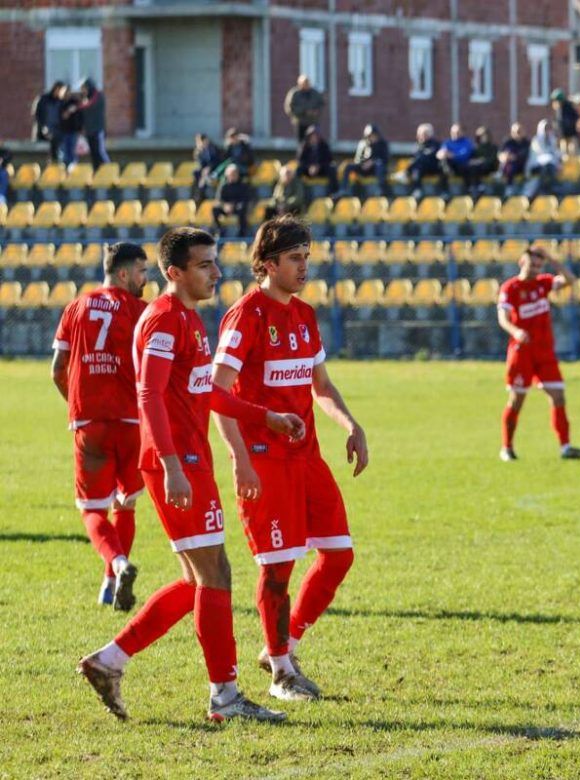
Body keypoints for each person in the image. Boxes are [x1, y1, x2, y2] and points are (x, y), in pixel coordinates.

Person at [77, 227, 303, 723]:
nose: (216, 272)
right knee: (215, 574)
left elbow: (206, 392)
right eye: (205, 265)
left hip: (188, 461)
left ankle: (109, 661)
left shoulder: (190, 320)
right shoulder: (162, 321)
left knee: (194, 579)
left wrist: (264, 416)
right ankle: (224, 696)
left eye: (215, 262)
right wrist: (174, 466)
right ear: (173, 272)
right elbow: (149, 396)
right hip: (178, 464)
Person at [212, 215, 369, 700]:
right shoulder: (246, 315)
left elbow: (319, 385)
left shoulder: (304, 315)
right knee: (277, 567)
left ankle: (284, 644)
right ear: (267, 263)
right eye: (296, 259)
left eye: (307, 257)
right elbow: (216, 394)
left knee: (338, 554)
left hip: (307, 459)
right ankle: (281, 670)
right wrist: (240, 458)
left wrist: (350, 424)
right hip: (266, 461)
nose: (305, 267)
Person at [51, 243, 149, 611]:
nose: (145, 279)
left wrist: (77, 405)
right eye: (141, 271)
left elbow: (57, 369)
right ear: (123, 273)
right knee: (126, 506)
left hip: (89, 423)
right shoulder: (142, 311)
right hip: (132, 423)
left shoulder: (75, 307)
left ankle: (118, 565)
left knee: (92, 509)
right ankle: (110, 582)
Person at [496, 245, 580, 461]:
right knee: (517, 399)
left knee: (558, 396)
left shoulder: (543, 283)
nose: (535, 269)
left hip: (545, 352)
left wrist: (552, 259)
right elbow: (503, 318)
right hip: (522, 352)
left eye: (539, 265)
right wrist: (516, 331)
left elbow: (570, 279)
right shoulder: (510, 288)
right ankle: (506, 448)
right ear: (522, 262)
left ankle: (566, 447)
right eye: (532, 264)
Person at [340, 124, 389, 196]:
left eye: (373, 135)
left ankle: (380, 189)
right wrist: (363, 164)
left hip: (376, 169)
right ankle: (344, 189)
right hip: (364, 168)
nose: (371, 138)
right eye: (369, 136)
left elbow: (385, 159)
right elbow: (358, 159)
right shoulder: (364, 144)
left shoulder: (383, 144)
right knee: (349, 166)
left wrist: (373, 161)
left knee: (379, 165)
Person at [400, 123, 442, 196]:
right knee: (416, 169)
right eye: (420, 134)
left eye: (424, 134)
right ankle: (417, 190)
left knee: (421, 158)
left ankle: (406, 172)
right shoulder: (417, 145)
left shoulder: (435, 144)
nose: (421, 136)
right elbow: (414, 157)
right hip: (421, 169)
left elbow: (429, 155)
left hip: (434, 167)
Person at [212, 165, 253, 238]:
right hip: (226, 208)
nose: (233, 176)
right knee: (215, 209)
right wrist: (224, 206)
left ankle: (242, 231)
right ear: (227, 175)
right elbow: (218, 200)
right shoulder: (223, 186)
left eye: (235, 174)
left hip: (237, 208)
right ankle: (219, 230)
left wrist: (234, 205)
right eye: (231, 174)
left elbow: (245, 199)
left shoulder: (243, 186)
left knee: (242, 208)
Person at [76, 79, 110, 165]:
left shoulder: (98, 96)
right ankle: (97, 172)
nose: (83, 91)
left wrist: (78, 107)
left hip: (97, 129)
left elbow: (89, 105)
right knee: (94, 154)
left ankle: (108, 169)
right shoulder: (85, 98)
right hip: (89, 130)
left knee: (100, 152)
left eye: (84, 88)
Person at [524, 119, 561, 198]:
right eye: (546, 129)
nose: (548, 131)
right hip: (536, 165)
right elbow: (541, 154)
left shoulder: (552, 139)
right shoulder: (536, 140)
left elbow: (555, 153)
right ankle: (544, 190)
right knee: (546, 168)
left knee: (551, 168)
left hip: (549, 165)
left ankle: (551, 189)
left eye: (549, 129)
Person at [32, 81, 66, 164]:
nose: (63, 93)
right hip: (43, 130)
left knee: (58, 145)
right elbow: (37, 114)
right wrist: (43, 127)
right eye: (62, 90)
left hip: (56, 132)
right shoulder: (43, 99)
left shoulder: (61, 102)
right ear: (57, 89)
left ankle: (56, 162)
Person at [284, 74, 325, 141]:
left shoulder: (314, 93)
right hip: (300, 123)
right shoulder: (295, 94)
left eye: (307, 83)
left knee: (314, 142)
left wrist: (316, 112)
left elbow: (321, 104)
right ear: (300, 83)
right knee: (302, 143)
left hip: (312, 122)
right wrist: (304, 112)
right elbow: (289, 109)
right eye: (304, 83)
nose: (306, 85)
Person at [295, 126, 336, 192]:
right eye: (312, 136)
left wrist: (319, 167)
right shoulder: (304, 146)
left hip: (321, 169)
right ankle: (299, 192)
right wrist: (309, 167)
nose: (314, 138)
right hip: (308, 170)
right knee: (298, 170)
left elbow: (329, 159)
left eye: (316, 136)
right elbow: (300, 160)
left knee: (332, 169)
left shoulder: (324, 145)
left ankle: (333, 192)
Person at [437, 123, 475, 189]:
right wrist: (442, 154)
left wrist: (451, 155)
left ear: (463, 132)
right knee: (442, 164)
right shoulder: (447, 142)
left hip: (462, 167)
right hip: (448, 166)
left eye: (457, 132)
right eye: (452, 132)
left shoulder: (467, 142)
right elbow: (440, 154)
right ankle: (443, 190)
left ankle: (469, 189)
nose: (454, 134)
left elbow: (464, 156)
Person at [498, 122, 530, 191]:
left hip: (521, 167)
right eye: (514, 132)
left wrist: (513, 157)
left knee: (511, 166)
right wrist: (503, 157)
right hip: (507, 166)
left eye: (519, 131)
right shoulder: (508, 142)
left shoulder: (526, 143)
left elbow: (524, 155)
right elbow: (500, 154)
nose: (517, 134)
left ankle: (509, 188)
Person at [466, 126, 498, 193]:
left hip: (489, 168)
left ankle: (479, 185)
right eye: (479, 136)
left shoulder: (493, 147)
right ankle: (475, 186)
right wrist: (475, 161)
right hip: (477, 168)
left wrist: (482, 161)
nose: (482, 137)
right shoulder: (476, 148)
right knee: (472, 168)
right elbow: (471, 159)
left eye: (483, 135)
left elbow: (492, 159)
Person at [58, 88, 84, 167]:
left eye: (68, 92)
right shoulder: (60, 104)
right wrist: (69, 111)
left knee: (73, 153)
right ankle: (65, 170)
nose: (67, 94)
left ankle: (72, 170)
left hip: (74, 131)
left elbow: (80, 117)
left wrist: (80, 129)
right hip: (63, 132)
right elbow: (62, 117)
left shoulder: (75, 103)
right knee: (64, 153)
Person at [193, 133, 223, 200]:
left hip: (215, 170)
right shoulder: (199, 151)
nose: (199, 143)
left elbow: (217, 161)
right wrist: (198, 153)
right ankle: (200, 194)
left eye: (200, 141)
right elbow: (201, 164)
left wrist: (209, 168)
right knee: (196, 173)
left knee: (206, 177)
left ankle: (202, 195)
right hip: (204, 171)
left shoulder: (213, 149)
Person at [551, 89, 579, 155]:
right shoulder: (558, 109)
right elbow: (557, 122)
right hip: (562, 135)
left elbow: (574, 117)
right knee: (564, 154)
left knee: (572, 153)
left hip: (571, 134)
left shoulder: (568, 107)